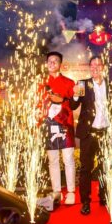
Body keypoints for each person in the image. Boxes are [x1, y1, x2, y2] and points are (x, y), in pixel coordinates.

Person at [71, 56, 108, 215]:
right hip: (88, 133)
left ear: (103, 67)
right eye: (92, 65)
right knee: (86, 168)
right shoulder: (82, 84)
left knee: (105, 167)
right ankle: (85, 202)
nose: (95, 68)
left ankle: (104, 197)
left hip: (106, 132)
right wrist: (75, 95)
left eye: (98, 65)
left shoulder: (111, 85)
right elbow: (73, 105)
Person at [42, 51, 76, 206]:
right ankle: (56, 191)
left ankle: (71, 192)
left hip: (65, 123)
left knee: (68, 159)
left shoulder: (69, 82)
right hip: (48, 124)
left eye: (55, 61)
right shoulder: (40, 82)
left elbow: (74, 104)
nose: (52, 63)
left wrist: (62, 100)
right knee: (53, 160)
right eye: (49, 61)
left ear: (60, 64)